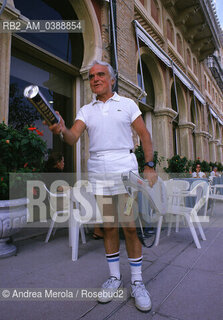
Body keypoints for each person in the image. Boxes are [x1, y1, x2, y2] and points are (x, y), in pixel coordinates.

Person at [47, 60, 157, 312]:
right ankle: (115, 278)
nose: (95, 78)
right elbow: (73, 137)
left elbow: (145, 136)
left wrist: (149, 165)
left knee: (129, 226)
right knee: (108, 225)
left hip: (124, 168)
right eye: (91, 76)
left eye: (100, 74)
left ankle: (138, 282)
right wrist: (61, 129)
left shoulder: (128, 104)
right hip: (98, 170)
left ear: (112, 79)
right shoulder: (86, 110)